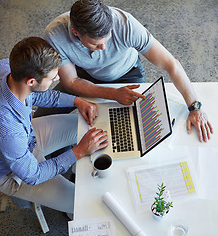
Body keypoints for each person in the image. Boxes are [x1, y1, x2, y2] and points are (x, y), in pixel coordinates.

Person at [44, 0, 213, 142]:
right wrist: (112, 94)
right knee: (42, 119)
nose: (103, 48)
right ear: (76, 33)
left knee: (131, 131)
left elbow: (171, 64)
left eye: (108, 38)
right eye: (95, 44)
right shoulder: (55, 34)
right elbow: (71, 82)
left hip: (127, 74)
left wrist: (194, 106)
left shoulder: (126, 24)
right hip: (82, 75)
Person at [0, 37, 108, 215]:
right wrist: (79, 151)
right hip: (11, 172)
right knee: (85, 204)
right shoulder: (6, 131)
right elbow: (33, 175)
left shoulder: (6, 67)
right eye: (53, 76)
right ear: (31, 81)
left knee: (88, 126)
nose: (58, 77)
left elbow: (38, 95)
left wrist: (77, 101)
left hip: (25, 137)